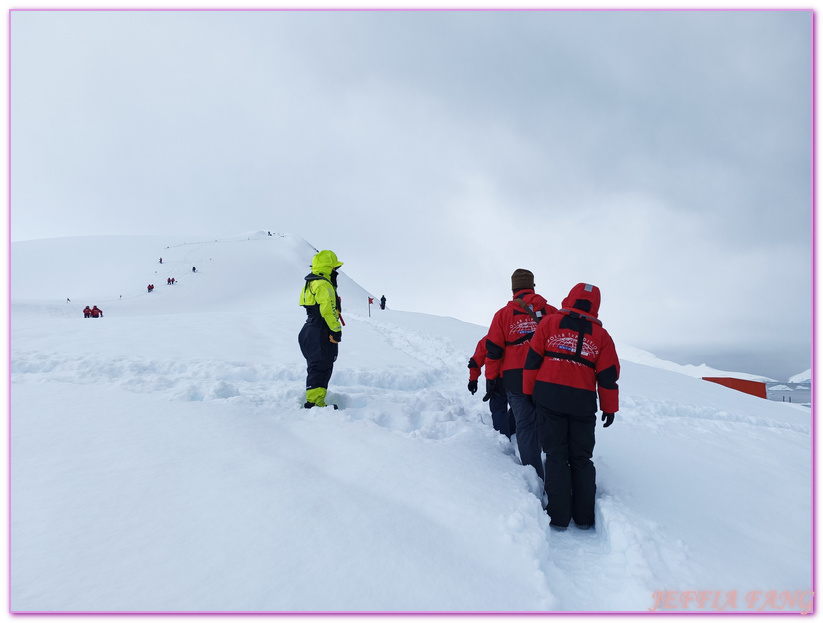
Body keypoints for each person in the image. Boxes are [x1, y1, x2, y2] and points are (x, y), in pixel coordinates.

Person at [523, 283, 620, 530]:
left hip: (549, 397)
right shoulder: (602, 337)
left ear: (570, 298)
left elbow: (533, 360)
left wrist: (527, 393)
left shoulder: (549, 323)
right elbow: (608, 376)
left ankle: (558, 516)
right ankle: (585, 516)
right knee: (581, 457)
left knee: (556, 456)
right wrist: (609, 407)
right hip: (582, 403)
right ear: (595, 305)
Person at [485, 269, 557, 479]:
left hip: (515, 378)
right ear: (533, 286)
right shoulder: (552, 312)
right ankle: (557, 475)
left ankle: (535, 478)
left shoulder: (503, 315)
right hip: (546, 377)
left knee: (525, 426)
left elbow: (494, 350)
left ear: (513, 290)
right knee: (549, 424)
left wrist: (491, 379)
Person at [298, 250, 344, 409]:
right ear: (328, 268)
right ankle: (315, 404)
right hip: (320, 331)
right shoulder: (324, 284)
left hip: (308, 331)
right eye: (334, 269)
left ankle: (316, 400)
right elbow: (328, 311)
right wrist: (336, 332)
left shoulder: (311, 283)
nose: (336, 272)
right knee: (321, 366)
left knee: (316, 366)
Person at [468, 336, 516, 439]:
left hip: (496, 380)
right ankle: (513, 430)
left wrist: (473, 379)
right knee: (519, 406)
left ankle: (503, 440)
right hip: (519, 378)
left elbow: (475, 362)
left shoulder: (489, 339)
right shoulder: (522, 337)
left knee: (498, 409)